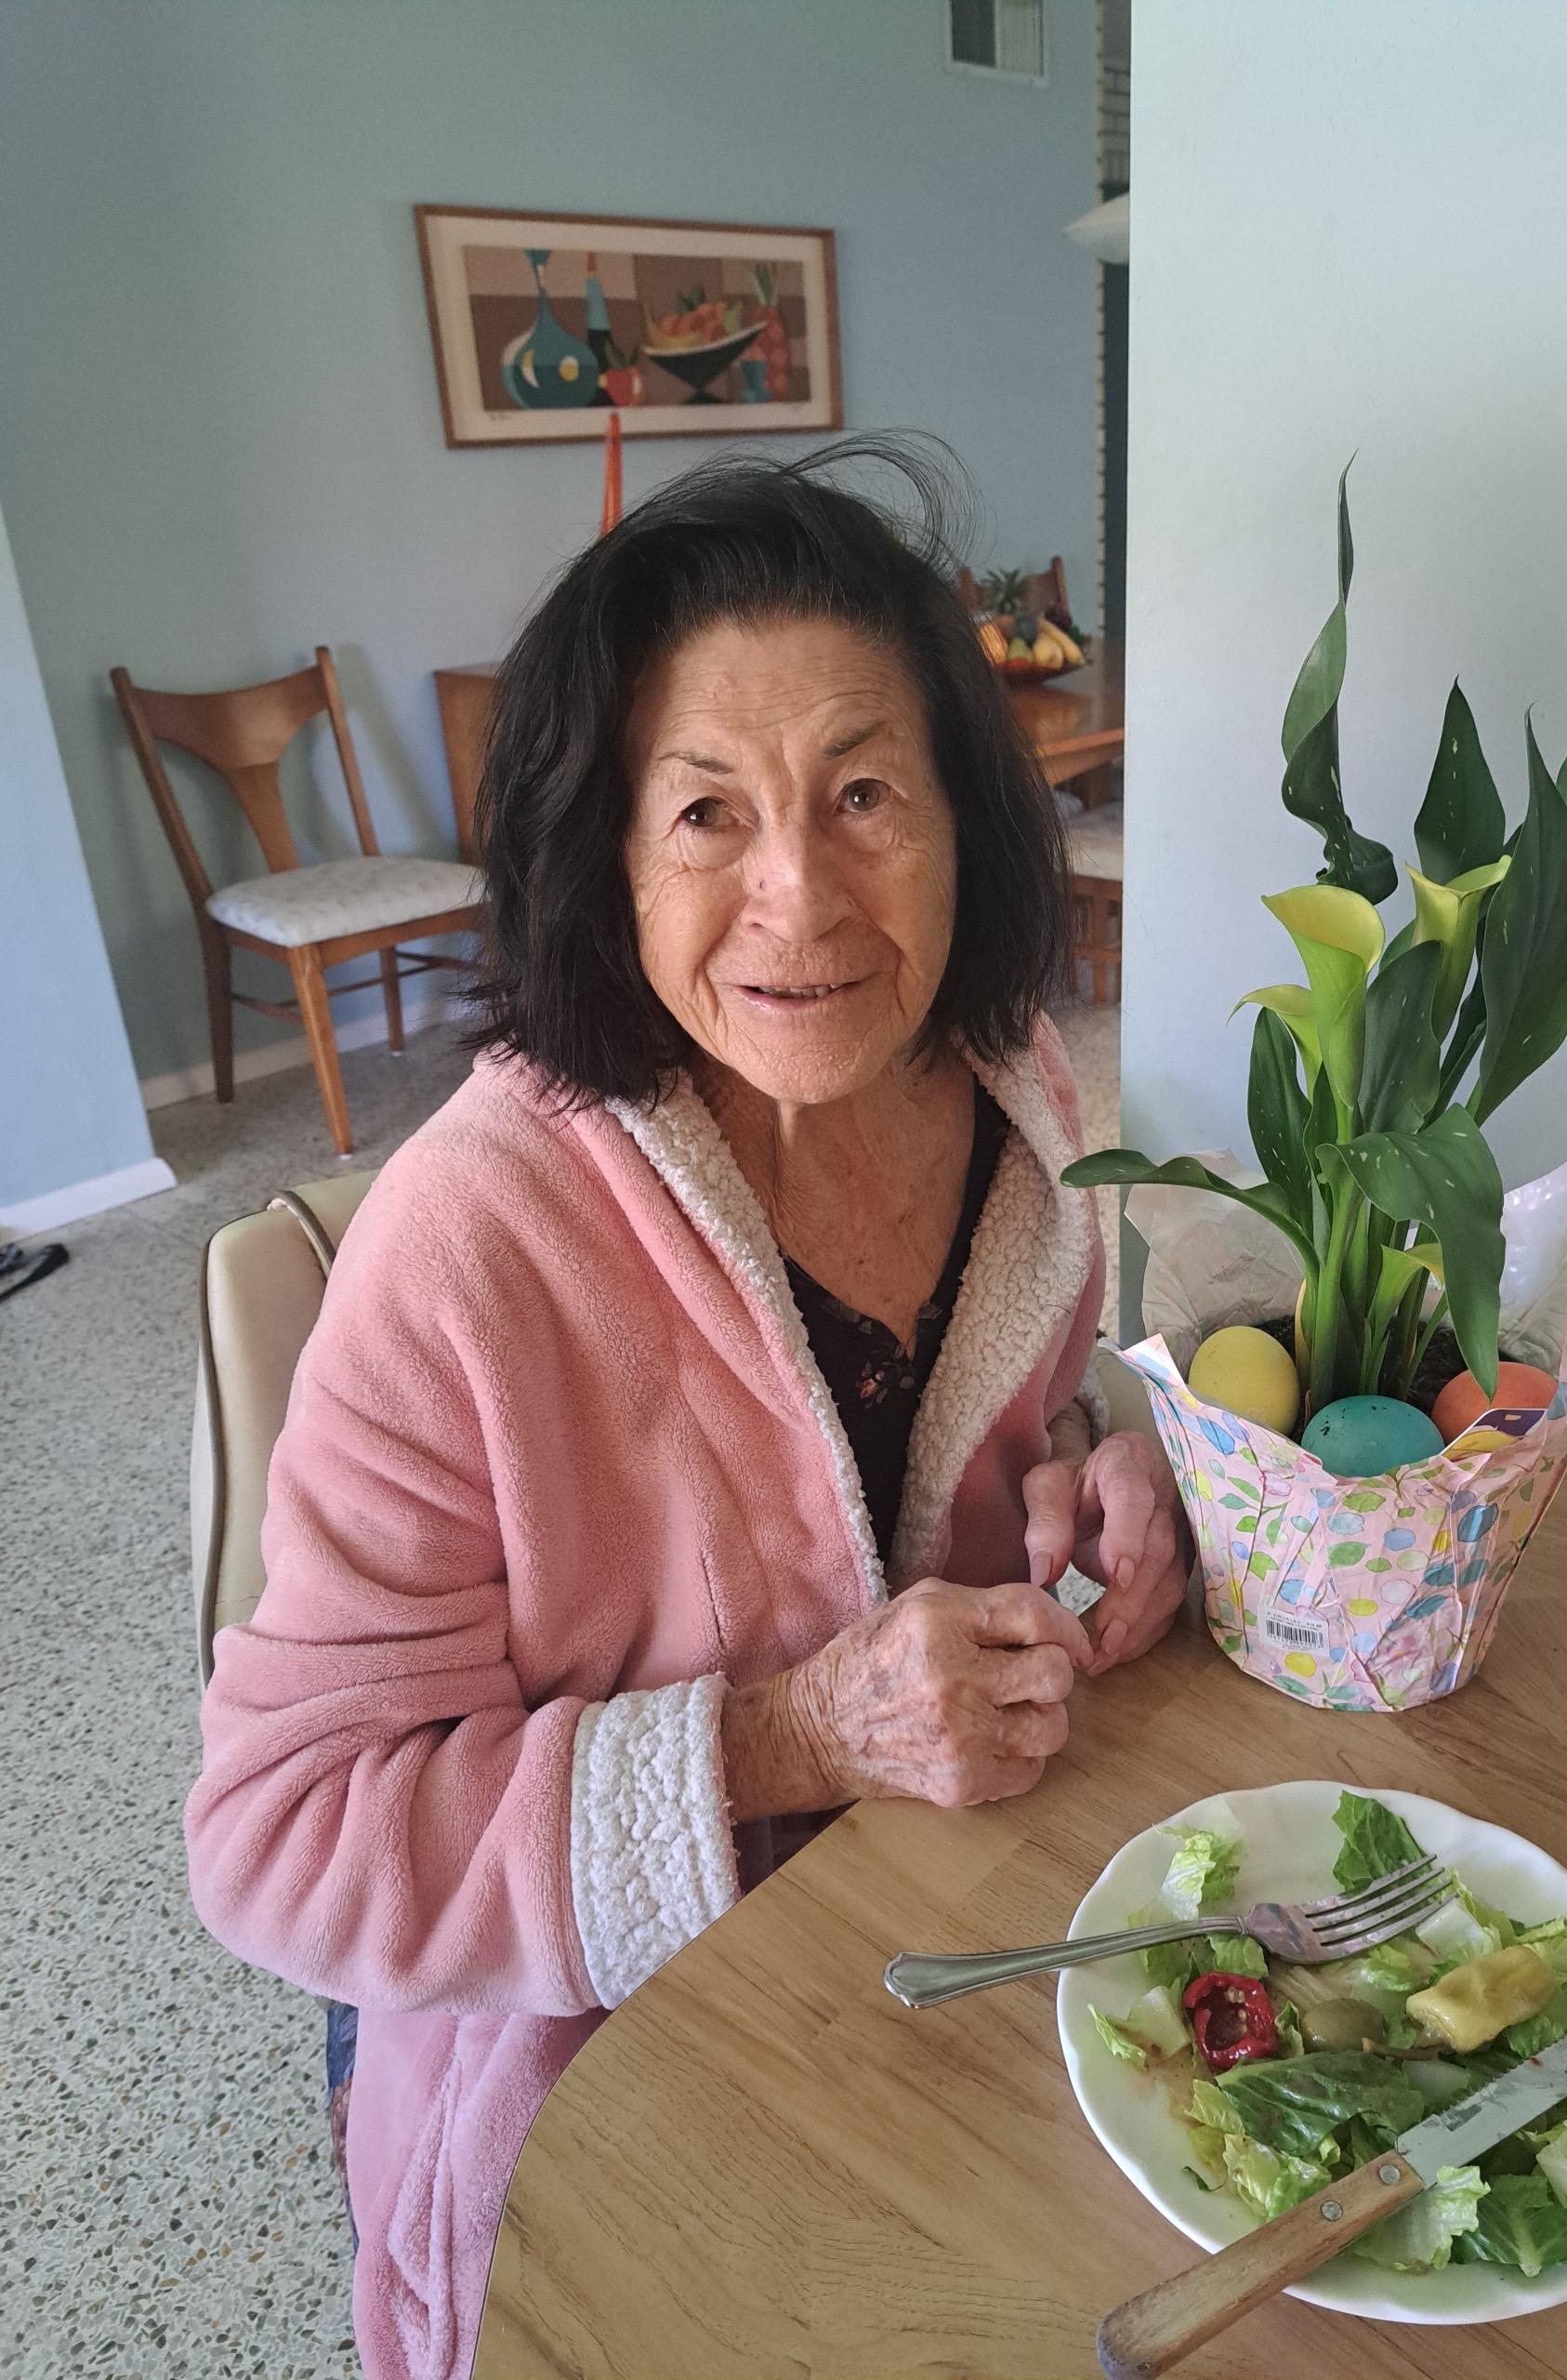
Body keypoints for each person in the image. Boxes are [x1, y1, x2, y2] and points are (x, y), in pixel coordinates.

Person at [185, 440, 1187, 2380]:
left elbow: (980, 1466)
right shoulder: (469, 1247)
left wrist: (1093, 1485)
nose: (799, 891)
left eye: (865, 792)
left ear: (969, 817)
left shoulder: (1022, 1105)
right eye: (708, 808)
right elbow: (280, 1835)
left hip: (962, 1943)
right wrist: (787, 1733)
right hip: (614, 2075)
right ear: (607, 855)